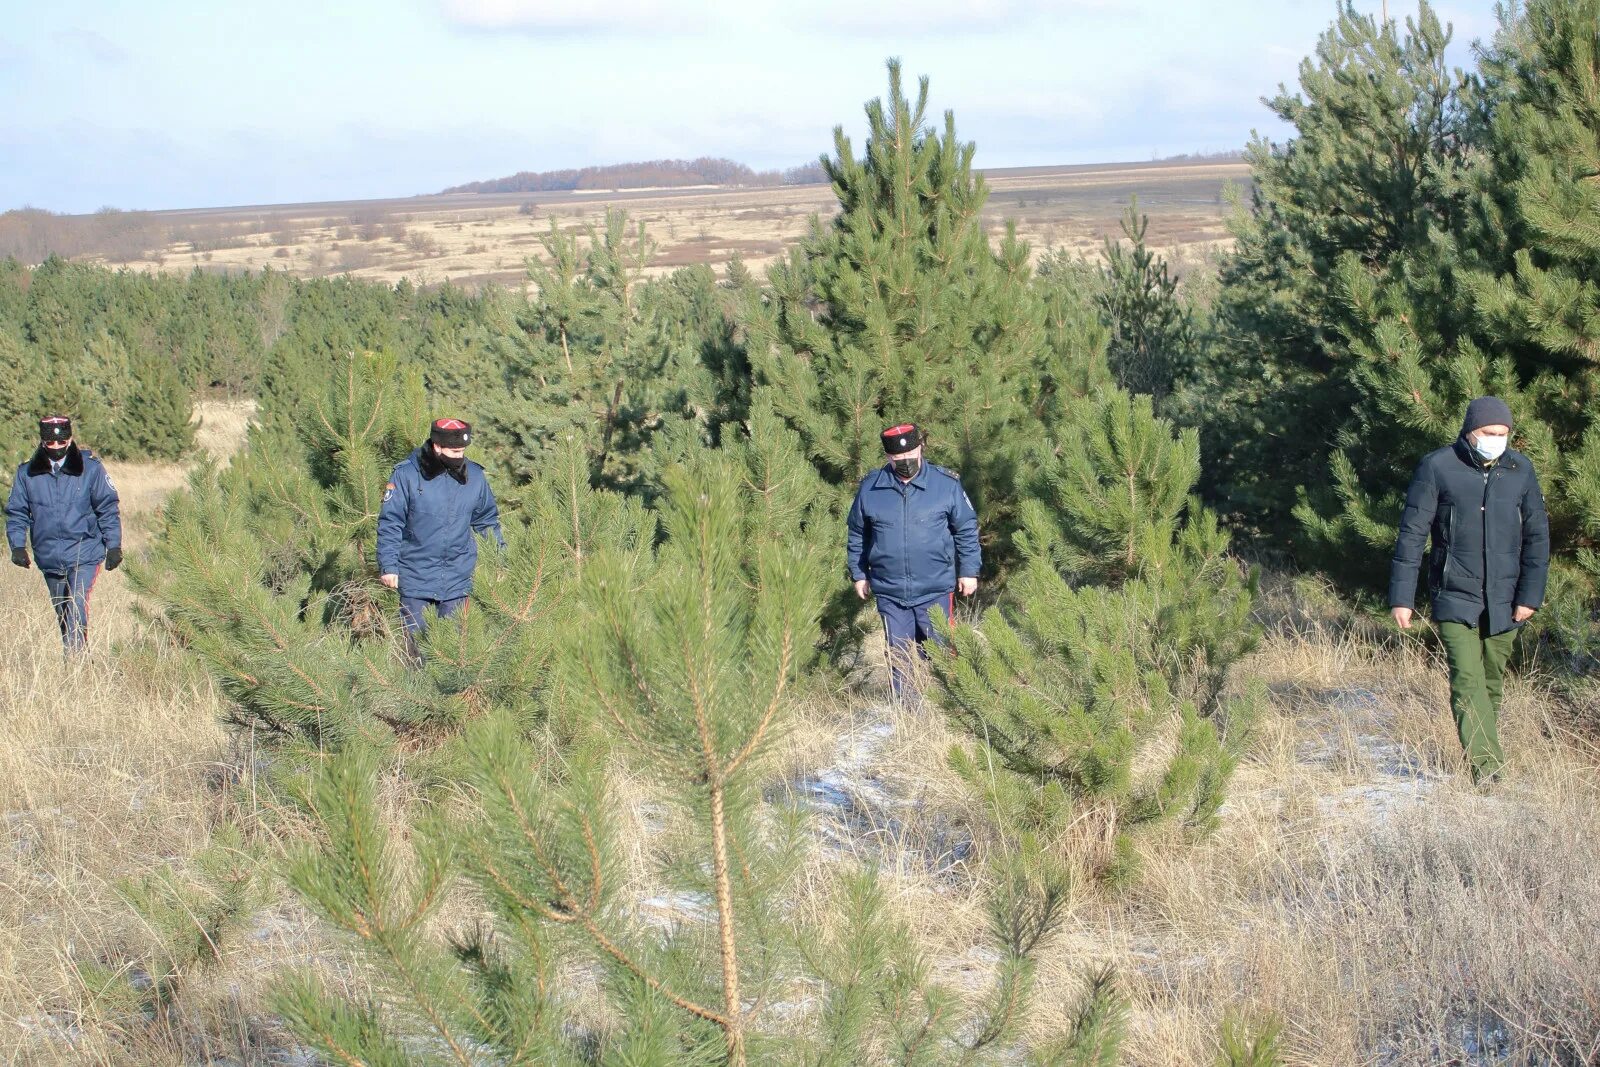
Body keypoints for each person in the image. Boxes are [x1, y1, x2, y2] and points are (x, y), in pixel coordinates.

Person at [1389, 396, 1550, 783]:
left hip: (1506, 598)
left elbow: (1538, 537)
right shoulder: (1437, 466)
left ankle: (1481, 755)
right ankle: (1488, 769)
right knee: (1467, 680)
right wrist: (1402, 598)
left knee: (1491, 681)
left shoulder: (1520, 470)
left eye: (1503, 434)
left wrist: (1529, 595)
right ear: (1469, 431)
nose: (1496, 439)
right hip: (1454, 594)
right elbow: (1412, 536)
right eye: (1488, 433)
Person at [846, 423, 981, 702]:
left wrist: (969, 571)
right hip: (890, 591)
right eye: (898, 460)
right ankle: (909, 718)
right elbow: (858, 533)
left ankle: (951, 710)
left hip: (935, 589)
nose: (905, 463)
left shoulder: (946, 485)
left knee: (941, 654)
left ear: (921, 448)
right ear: (887, 458)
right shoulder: (871, 488)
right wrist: (859, 574)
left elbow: (966, 528)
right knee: (900, 658)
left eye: (911, 455)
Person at [376, 418, 503, 658]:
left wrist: (500, 561)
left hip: (458, 581)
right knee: (417, 656)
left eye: (463, 451)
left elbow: (487, 522)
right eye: (454, 451)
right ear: (437, 447)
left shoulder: (474, 476)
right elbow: (390, 522)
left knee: (456, 656)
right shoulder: (406, 475)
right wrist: (389, 566)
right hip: (416, 579)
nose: (460, 456)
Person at [6, 416, 123, 654]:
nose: (57, 448)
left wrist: (114, 546)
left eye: (62, 442)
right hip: (48, 556)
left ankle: (75, 662)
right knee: (64, 613)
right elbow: (17, 512)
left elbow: (107, 508)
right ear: (42, 441)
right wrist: (17, 546)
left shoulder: (91, 469)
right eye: (51, 443)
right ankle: (79, 658)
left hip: (85, 553)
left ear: (70, 439)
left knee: (77, 605)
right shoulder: (27, 473)